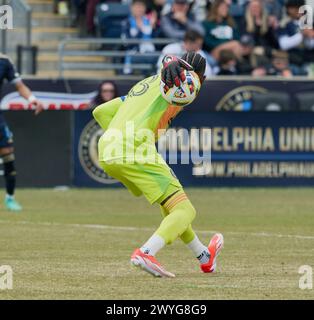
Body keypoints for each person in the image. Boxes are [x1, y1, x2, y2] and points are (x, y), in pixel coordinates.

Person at [92, 52, 224, 277]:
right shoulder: (185, 83)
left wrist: (117, 138)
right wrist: (171, 61)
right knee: (185, 210)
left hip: (107, 149)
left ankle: (204, 255)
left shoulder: (145, 84)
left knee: (171, 205)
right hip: (135, 147)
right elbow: (177, 69)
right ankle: (146, 252)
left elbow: (100, 111)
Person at [0, 54, 43, 211]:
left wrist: (32, 99)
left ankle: (10, 198)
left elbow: (20, 86)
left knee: (7, 153)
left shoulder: (4, 62)